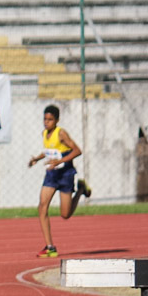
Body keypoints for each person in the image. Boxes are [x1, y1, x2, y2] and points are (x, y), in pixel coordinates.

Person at [27, 104, 91, 258]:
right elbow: (49, 150)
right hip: (52, 175)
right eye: (45, 119)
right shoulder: (44, 133)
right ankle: (50, 247)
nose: (47, 122)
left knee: (65, 214)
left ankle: (81, 189)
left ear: (57, 120)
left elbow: (77, 150)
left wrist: (59, 161)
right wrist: (37, 158)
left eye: (50, 119)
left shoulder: (61, 133)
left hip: (65, 174)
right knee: (42, 206)